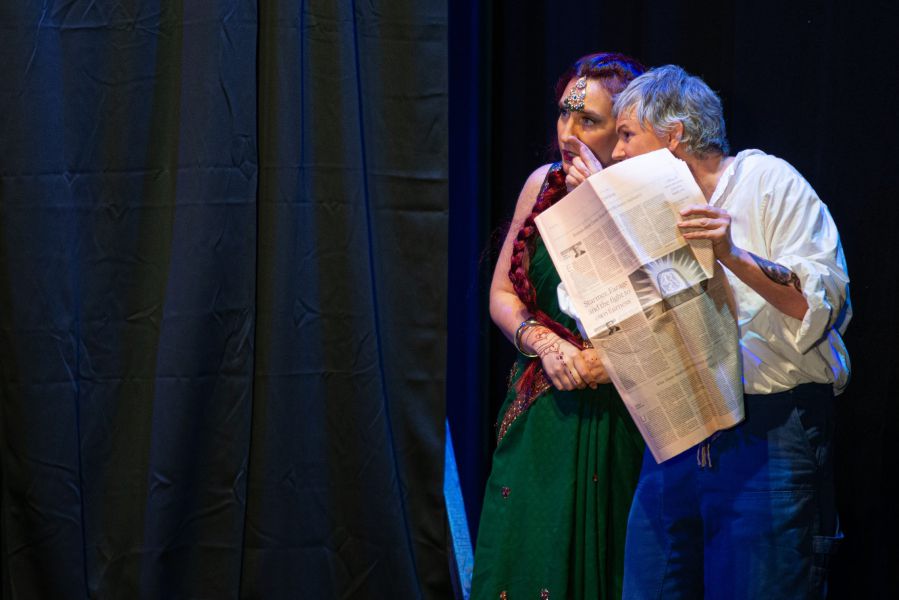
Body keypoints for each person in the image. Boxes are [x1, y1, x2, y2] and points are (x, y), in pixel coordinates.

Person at [605, 65, 851, 599]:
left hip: (768, 431)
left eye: (627, 135)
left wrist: (732, 254)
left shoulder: (768, 182)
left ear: (674, 135)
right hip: (676, 432)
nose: (616, 152)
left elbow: (820, 303)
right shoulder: (645, 214)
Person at [470, 52, 646, 600]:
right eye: (564, 114)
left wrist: (600, 205)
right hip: (542, 403)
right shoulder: (542, 184)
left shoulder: (651, 198)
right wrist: (544, 344)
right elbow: (502, 294)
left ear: (623, 128)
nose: (568, 133)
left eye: (588, 120)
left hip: (620, 406)